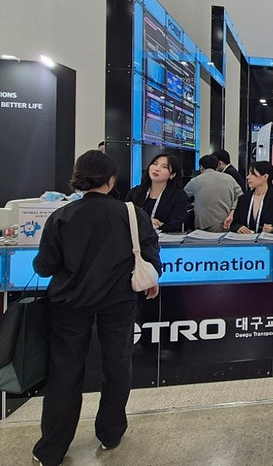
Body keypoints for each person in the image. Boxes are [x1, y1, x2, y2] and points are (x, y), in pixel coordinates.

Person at [32, 150, 161, 466]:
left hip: (68, 304)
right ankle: (111, 433)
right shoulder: (131, 214)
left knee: (64, 372)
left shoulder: (62, 216)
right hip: (118, 302)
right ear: (111, 180)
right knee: (117, 364)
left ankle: (52, 449)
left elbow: (44, 266)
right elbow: (151, 257)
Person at [126, 152, 188, 233]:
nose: (157, 169)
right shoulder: (135, 191)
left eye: (164, 167)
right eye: (155, 164)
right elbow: (125, 216)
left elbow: (174, 225)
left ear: (172, 175)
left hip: (163, 238)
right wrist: (148, 222)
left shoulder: (179, 196)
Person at [230, 161, 273, 234]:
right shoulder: (243, 199)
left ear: (265, 177)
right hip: (247, 240)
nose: (248, 177)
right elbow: (234, 223)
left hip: (269, 239)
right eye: (249, 174)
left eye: (252, 174)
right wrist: (238, 227)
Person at [184, 154, 243, 232]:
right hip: (227, 224)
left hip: (204, 226)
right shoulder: (229, 178)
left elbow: (183, 196)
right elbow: (241, 196)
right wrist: (232, 210)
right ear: (217, 166)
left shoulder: (195, 181)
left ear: (201, 167)